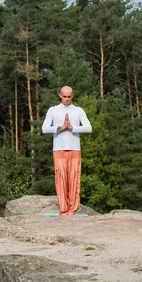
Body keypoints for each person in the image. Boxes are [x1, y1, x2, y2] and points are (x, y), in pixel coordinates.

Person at [41, 86, 92, 216]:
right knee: (61, 179)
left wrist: (72, 127)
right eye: (64, 96)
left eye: (69, 96)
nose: (67, 99)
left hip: (75, 149)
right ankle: (63, 209)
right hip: (59, 149)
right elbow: (44, 128)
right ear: (60, 95)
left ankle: (72, 210)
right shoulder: (53, 110)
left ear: (72, 96)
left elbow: (88, 128)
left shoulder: (78, 110)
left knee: (74, 179)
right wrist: (61, 128)